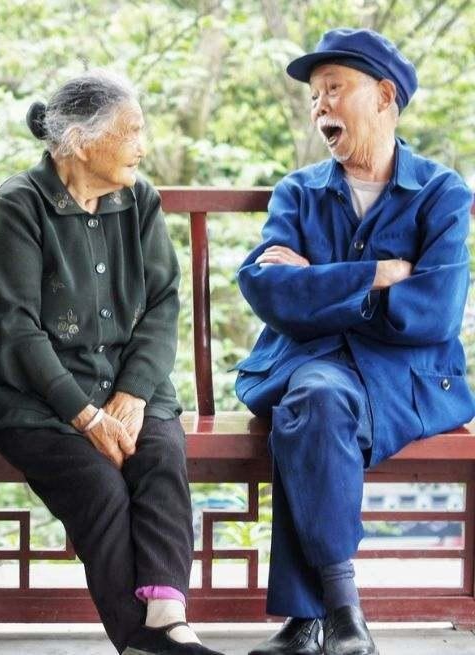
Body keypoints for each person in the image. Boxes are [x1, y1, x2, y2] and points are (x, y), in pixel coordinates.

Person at [235, 28, 474, 655]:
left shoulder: (441, 193)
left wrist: (317, 288)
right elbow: (264, 289)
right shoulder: (298, 191)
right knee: (313, 399)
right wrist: (373, 276)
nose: (319, 108)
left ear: (385, 96)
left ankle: (309, 618)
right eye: (314, 96)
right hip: (317, 370)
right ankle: (344, 616)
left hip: (404, 380)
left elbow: (434, 312)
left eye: (334, 89)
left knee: (311, 405)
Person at [0, 71, 223, 655]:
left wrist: (133, 395)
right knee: (100, 489)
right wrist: (85, 415)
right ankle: (143, 641)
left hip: (132, 390)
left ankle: (168, 618)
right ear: (83, 142)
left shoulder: (140, 199)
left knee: (160, 458)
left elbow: (163, 302)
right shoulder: (20, 204)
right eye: (132, 131)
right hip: (38, 401)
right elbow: (12, 328)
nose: (144, 144)